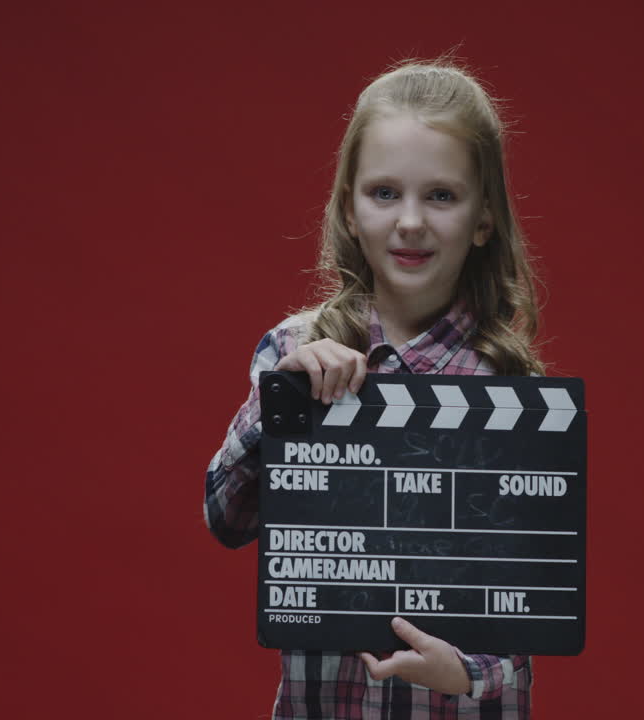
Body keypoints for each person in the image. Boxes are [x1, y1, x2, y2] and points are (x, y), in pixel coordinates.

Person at [205, 59, 546, 719]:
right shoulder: (290, 351)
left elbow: (529, 605)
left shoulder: (509, 389)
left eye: (441, 196)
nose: (410, 221)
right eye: (384, 193)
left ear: (484, 219)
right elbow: (228, 518)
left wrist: (467, 673)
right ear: (349, 211)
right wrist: (279, 402)